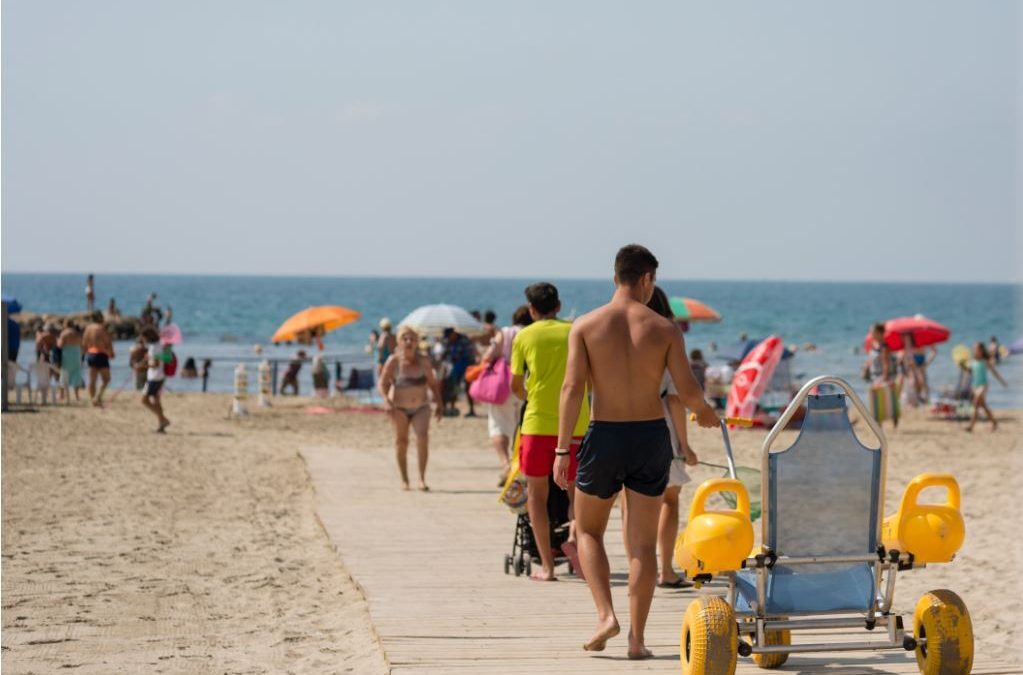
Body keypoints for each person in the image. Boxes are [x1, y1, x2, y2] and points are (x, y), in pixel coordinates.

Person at [555, 245, 717, 659]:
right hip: (649, 437)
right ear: (646, 279)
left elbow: (572, 389)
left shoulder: (586, 326)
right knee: (643, 546)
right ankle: (637, 640)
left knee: (588, 531)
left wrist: (561, 450)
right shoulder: (664, 329)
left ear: (616, 277)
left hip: (604, 435)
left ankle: (605, 615)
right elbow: (688, 391)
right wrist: (705, 413)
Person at [510, 283, 590, 581]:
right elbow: (589, 379)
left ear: (532, 310)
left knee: (537, 496)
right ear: (558, 305)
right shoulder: (575, 330)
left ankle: (546, 566)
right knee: (577, 496)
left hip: (537, 426)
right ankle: (577, 545)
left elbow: (516, 385)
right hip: (577, 425)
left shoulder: (524, 336)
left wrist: (531, 395)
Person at [620, 287, 699, 589]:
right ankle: (665, 570)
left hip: (622, 420)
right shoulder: (668, 335)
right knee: (669, 498)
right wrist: (685, 444)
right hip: (660, 423)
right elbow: (677, 399)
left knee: (630, 500)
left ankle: (635, 568)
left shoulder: (622, 333)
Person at [378, 325, 443, 490]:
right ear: (399, 341)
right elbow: (382, 383)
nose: (409, 342)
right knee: (401, 442)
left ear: (417, 342)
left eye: (412, 339)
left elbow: (433, 384)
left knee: (422, 438)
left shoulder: (424, 361)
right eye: (405, 338)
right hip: (398, 408)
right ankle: (405, 479)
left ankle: (422, 479)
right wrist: (386, 399)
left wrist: (439, 403)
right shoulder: (393, 361)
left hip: (421, 406)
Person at [480, 305, 532, 486]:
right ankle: (520, 465)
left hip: (504, 383)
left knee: (498, 425)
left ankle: (506, 464)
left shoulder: (506, 332)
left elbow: (488, 355)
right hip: (527, 383)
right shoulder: (532, 332)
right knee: (522, 426)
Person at [962, 342, 1007, 432]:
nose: (975, 351)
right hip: (975, 386)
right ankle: (994, 423)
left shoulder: (985, 362)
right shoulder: (972, 362)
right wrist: (964, 384)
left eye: (977, 349)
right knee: (983, 406)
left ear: (981, 351)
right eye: (974, 349)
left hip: (983, 385)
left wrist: (1002, 381)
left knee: (975, 404)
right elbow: (968, 374)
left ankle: (971, 426)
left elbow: (994, 372)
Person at [864, 323, 899, 428]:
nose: (871, 334)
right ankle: (879, 423)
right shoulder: (873, 345)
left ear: (880, 333)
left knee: (886, 398)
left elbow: (886, 363)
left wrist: (885, 377)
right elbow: (871, 360)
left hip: (882, 375)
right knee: (877, 398)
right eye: (870, 332)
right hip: (875, 375)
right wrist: (866, 369)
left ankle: (892, 421)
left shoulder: (884, 347)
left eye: (873, 332)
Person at [443, 327, 478, 417]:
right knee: (452, 387)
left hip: (466, 368)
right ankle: (452, 407)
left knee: (468, 388)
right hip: (455, 368)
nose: (448, 339)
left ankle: (471, 410)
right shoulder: (449, 342)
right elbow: (446, 354)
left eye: (449, 336)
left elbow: (470, 356)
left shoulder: (464, 341)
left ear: (453, 334)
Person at [81, 311, 114, 406]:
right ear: (100, 318)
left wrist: (83, 355)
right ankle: (97, 397)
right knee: (106, 379)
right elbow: (107, 342)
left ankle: (93, 400)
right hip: (101, 354)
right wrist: (111, 352)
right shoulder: (101, 328)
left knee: (92, 380)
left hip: (90, 354)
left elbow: (84, 343)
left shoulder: (88, 328)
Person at [140, 332, 170, 432]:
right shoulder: (159, 345)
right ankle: (161, 424)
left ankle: (163, 419)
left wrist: (143, 367)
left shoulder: (153, 347)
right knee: (156, 401)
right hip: (160, 376)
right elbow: (159, 360)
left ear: (148, 337)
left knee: (144, 400)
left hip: (154, 377)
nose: (142, 339)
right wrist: (148, 359)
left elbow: (156, 364)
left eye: (143, 337)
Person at [57, 319, 84, 402]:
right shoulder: (78, 333)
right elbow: (82, 345)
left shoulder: (64, 333)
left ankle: (62, 395)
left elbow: (60, 345)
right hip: (77, 355)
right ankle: (77, 396)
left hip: (67, 355)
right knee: (76, 374)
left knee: (64, 374)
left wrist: (57, 341)